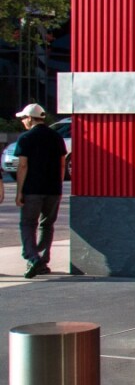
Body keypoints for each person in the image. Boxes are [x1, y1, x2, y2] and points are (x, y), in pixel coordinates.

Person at [13, 103, 68, 279]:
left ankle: (33, 257)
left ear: (30, 118)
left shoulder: (26, 138)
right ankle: (42, 262)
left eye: (23, 118)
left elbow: (22, 165)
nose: (23, 122)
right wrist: (58, 185)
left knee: (28, 224)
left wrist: (19, 191)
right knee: (47, 225)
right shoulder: (56, 137)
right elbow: (62, 163)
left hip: (32, 190)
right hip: (53, 189)